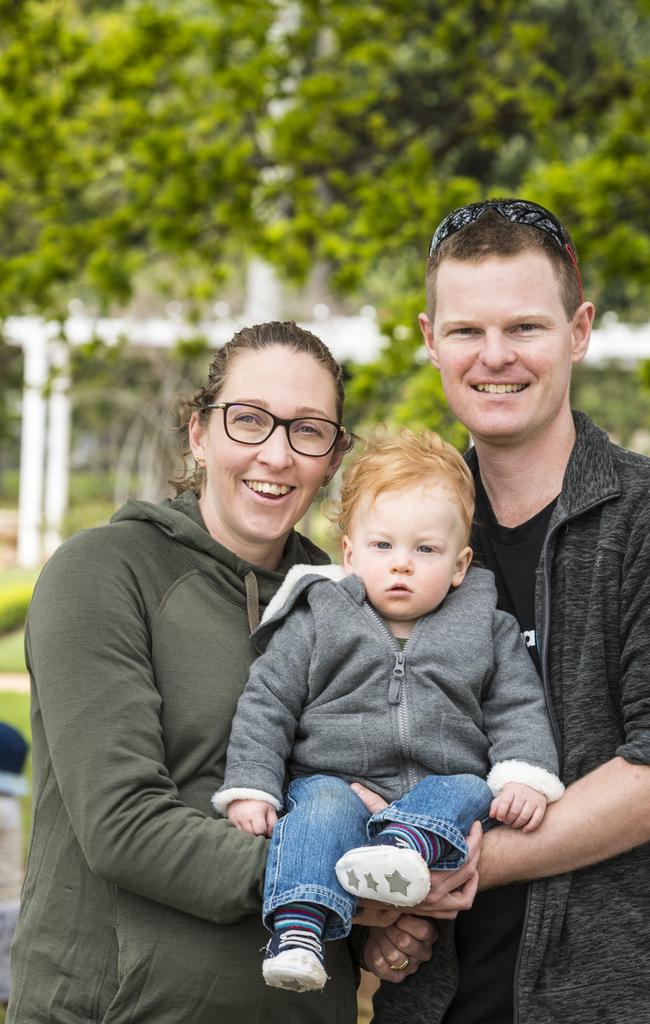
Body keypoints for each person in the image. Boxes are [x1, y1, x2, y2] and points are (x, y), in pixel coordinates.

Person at [359, 199, 650, 1024]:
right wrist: (383, 909)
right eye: (467, 331)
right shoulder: (402, 533)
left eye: (526, 329)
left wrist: (467, 865)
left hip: (608, 1001)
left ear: (579, 331)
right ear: (430, 339)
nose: (494, 357)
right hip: (428, 1006)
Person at [9, 321, 439, 1024]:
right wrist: (335, 884)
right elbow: (123, 824)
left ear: (331, 457)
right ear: (199, 434)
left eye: (307, 430)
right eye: (249, 421)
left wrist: (392, 921)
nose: (276, 453)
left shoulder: (351, 606)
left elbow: (369, 790)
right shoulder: (106, 572)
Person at [211, 428, 563, 995]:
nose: (402, 565)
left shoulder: (486, 628)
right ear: (350, 554)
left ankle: (403, 850)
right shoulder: (319, 620)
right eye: (383, 547)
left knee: (470, 790)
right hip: (338, 778)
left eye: (425, 550)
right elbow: (266, 702)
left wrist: (524, 773)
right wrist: (252, 785)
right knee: (317, 814)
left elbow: (518, 706)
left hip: (439, 782)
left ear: (459, 563)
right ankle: (299, 933)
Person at [0, 723, 28, 1008]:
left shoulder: (2, 807)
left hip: (3, 909)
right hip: (7, 904)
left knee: (7, 987)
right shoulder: (8, 802)